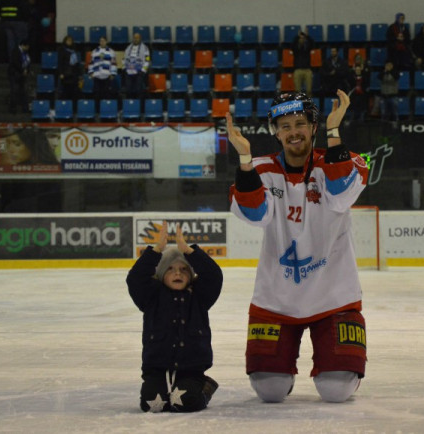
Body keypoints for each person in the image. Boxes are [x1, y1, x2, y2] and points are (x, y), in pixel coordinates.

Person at [225, 90, 369, 404]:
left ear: (314, 128)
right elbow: (255, 214)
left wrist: (335, 133)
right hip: (277, 300)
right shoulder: (260, 170)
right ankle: (282, 372)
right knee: (269, 390)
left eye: (301, 123)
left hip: (335, 297)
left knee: (337, 390)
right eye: (285, 126)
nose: (294, 132)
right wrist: (245, 159)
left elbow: (341, 195)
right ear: (275, 132)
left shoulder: (344, 160)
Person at [127, 221, 223, 413]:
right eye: (170, 269)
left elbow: (214, 276)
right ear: (161, 274)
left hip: (191, 368)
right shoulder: (151, 297)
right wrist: (156, 251)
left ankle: (205, 387)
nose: (177, 272)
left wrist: (189, 251)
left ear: (191, 274)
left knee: (184, 402)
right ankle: (162, 388)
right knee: (152, 404)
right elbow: (135, 279)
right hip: (157, 367)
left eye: (183, 269)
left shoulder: (199, 296)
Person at [88, 36, 117, 103]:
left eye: (103, 41)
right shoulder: (94, 51)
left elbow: (113, 63)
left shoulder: (111, 51)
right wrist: (91, 72)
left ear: (106, 42)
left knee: (106, 94)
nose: (102, 42)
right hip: (97, 75)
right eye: (101, 41)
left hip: (107, 76)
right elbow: (91, 63)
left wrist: (113, 74)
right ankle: (97, 111)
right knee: (97, 94)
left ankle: (106, 110)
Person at [123, 33, 150, 99]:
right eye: (134, 38)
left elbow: (147, 60)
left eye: (137, 38)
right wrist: (124, 68)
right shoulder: (128, 48)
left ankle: (138, 106)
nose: (135, 39)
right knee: (128, 90)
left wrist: (143, 70)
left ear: (140, 38)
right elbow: (124, 59)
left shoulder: (145, 48)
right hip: (129, 72)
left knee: (138, 90)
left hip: (139, 72)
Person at [7, 40, 30, 114]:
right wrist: (22, 70)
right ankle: (12, 109)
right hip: (15, 74)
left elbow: (27, 61)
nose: (27, 48)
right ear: (23, 45)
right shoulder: (15, 51)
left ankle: (25, 108)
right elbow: (15, 62)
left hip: (22, 75)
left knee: (24, 92)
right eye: (27, 47)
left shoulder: (25, 53)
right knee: (14, 91)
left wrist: (27, 70)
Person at [57, 35, 82, 101]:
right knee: (65, 92)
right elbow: (60, 63)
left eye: (71, 40)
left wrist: (79, 74)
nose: (69, 42)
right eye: (68, 40)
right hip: (66, 74)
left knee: (74, 92)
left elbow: (77, 64)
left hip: (74, 75)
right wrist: (61, 73)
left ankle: (74, 108)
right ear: (65, 41)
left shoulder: (74, 51)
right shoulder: (62, 50)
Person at [347, 54, 370, 122]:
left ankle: (361, 122)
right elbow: (349, 80)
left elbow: (367, 79)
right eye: (356, 70)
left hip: (362, 95)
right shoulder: (352, 77)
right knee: (353, 110)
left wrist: (363, 71)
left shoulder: (364, 77)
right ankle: (352, 122)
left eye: (359, 70)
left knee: (362, 110)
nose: (357, 71)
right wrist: (352, 71)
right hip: (354, 95)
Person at [292, 30, 314, 96]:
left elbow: (313, 44)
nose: (301, 40)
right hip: (298, 70)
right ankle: (298, 104)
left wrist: (307, 36)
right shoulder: (295, 49)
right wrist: (297, 37)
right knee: (297, 90)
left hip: (307, 70)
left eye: (303, 38)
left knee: (309, 90)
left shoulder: (307, 48)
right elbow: (292, 45)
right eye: (300, 38)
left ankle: (309, 104)